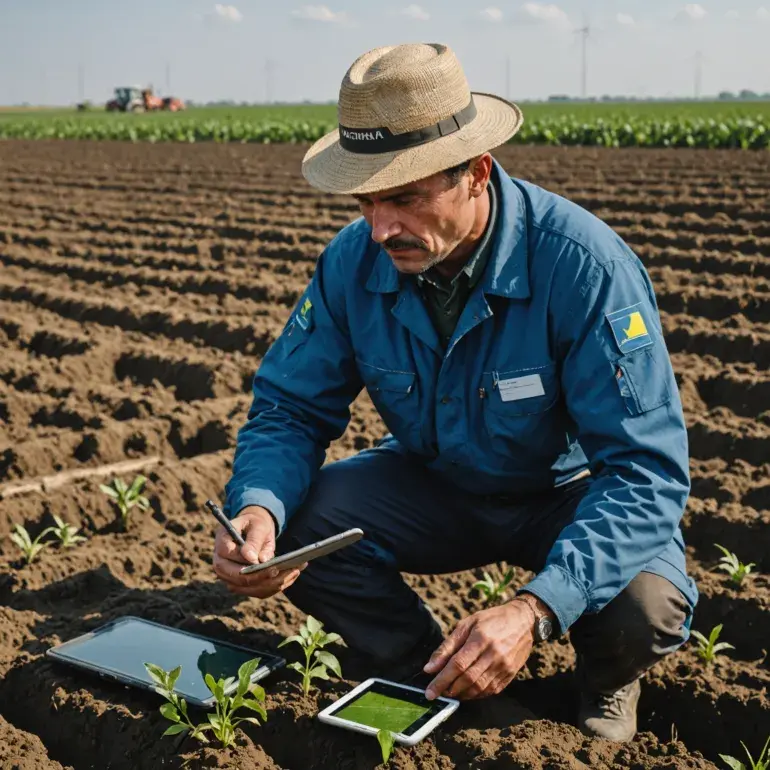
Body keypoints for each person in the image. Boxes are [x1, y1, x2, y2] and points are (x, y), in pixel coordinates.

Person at [213, 42, 698, 741]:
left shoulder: (583, 267)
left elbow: (647, 472)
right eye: (366, 202)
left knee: (645, 605)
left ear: (476, 172)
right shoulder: (353, 261)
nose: (381, 229)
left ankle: (605, 681)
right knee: (299, 527)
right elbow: (290, 406)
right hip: (434, 483)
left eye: (405, 199)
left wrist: (534, 609)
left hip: (566, 493)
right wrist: (257, 509)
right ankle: (430, 670)